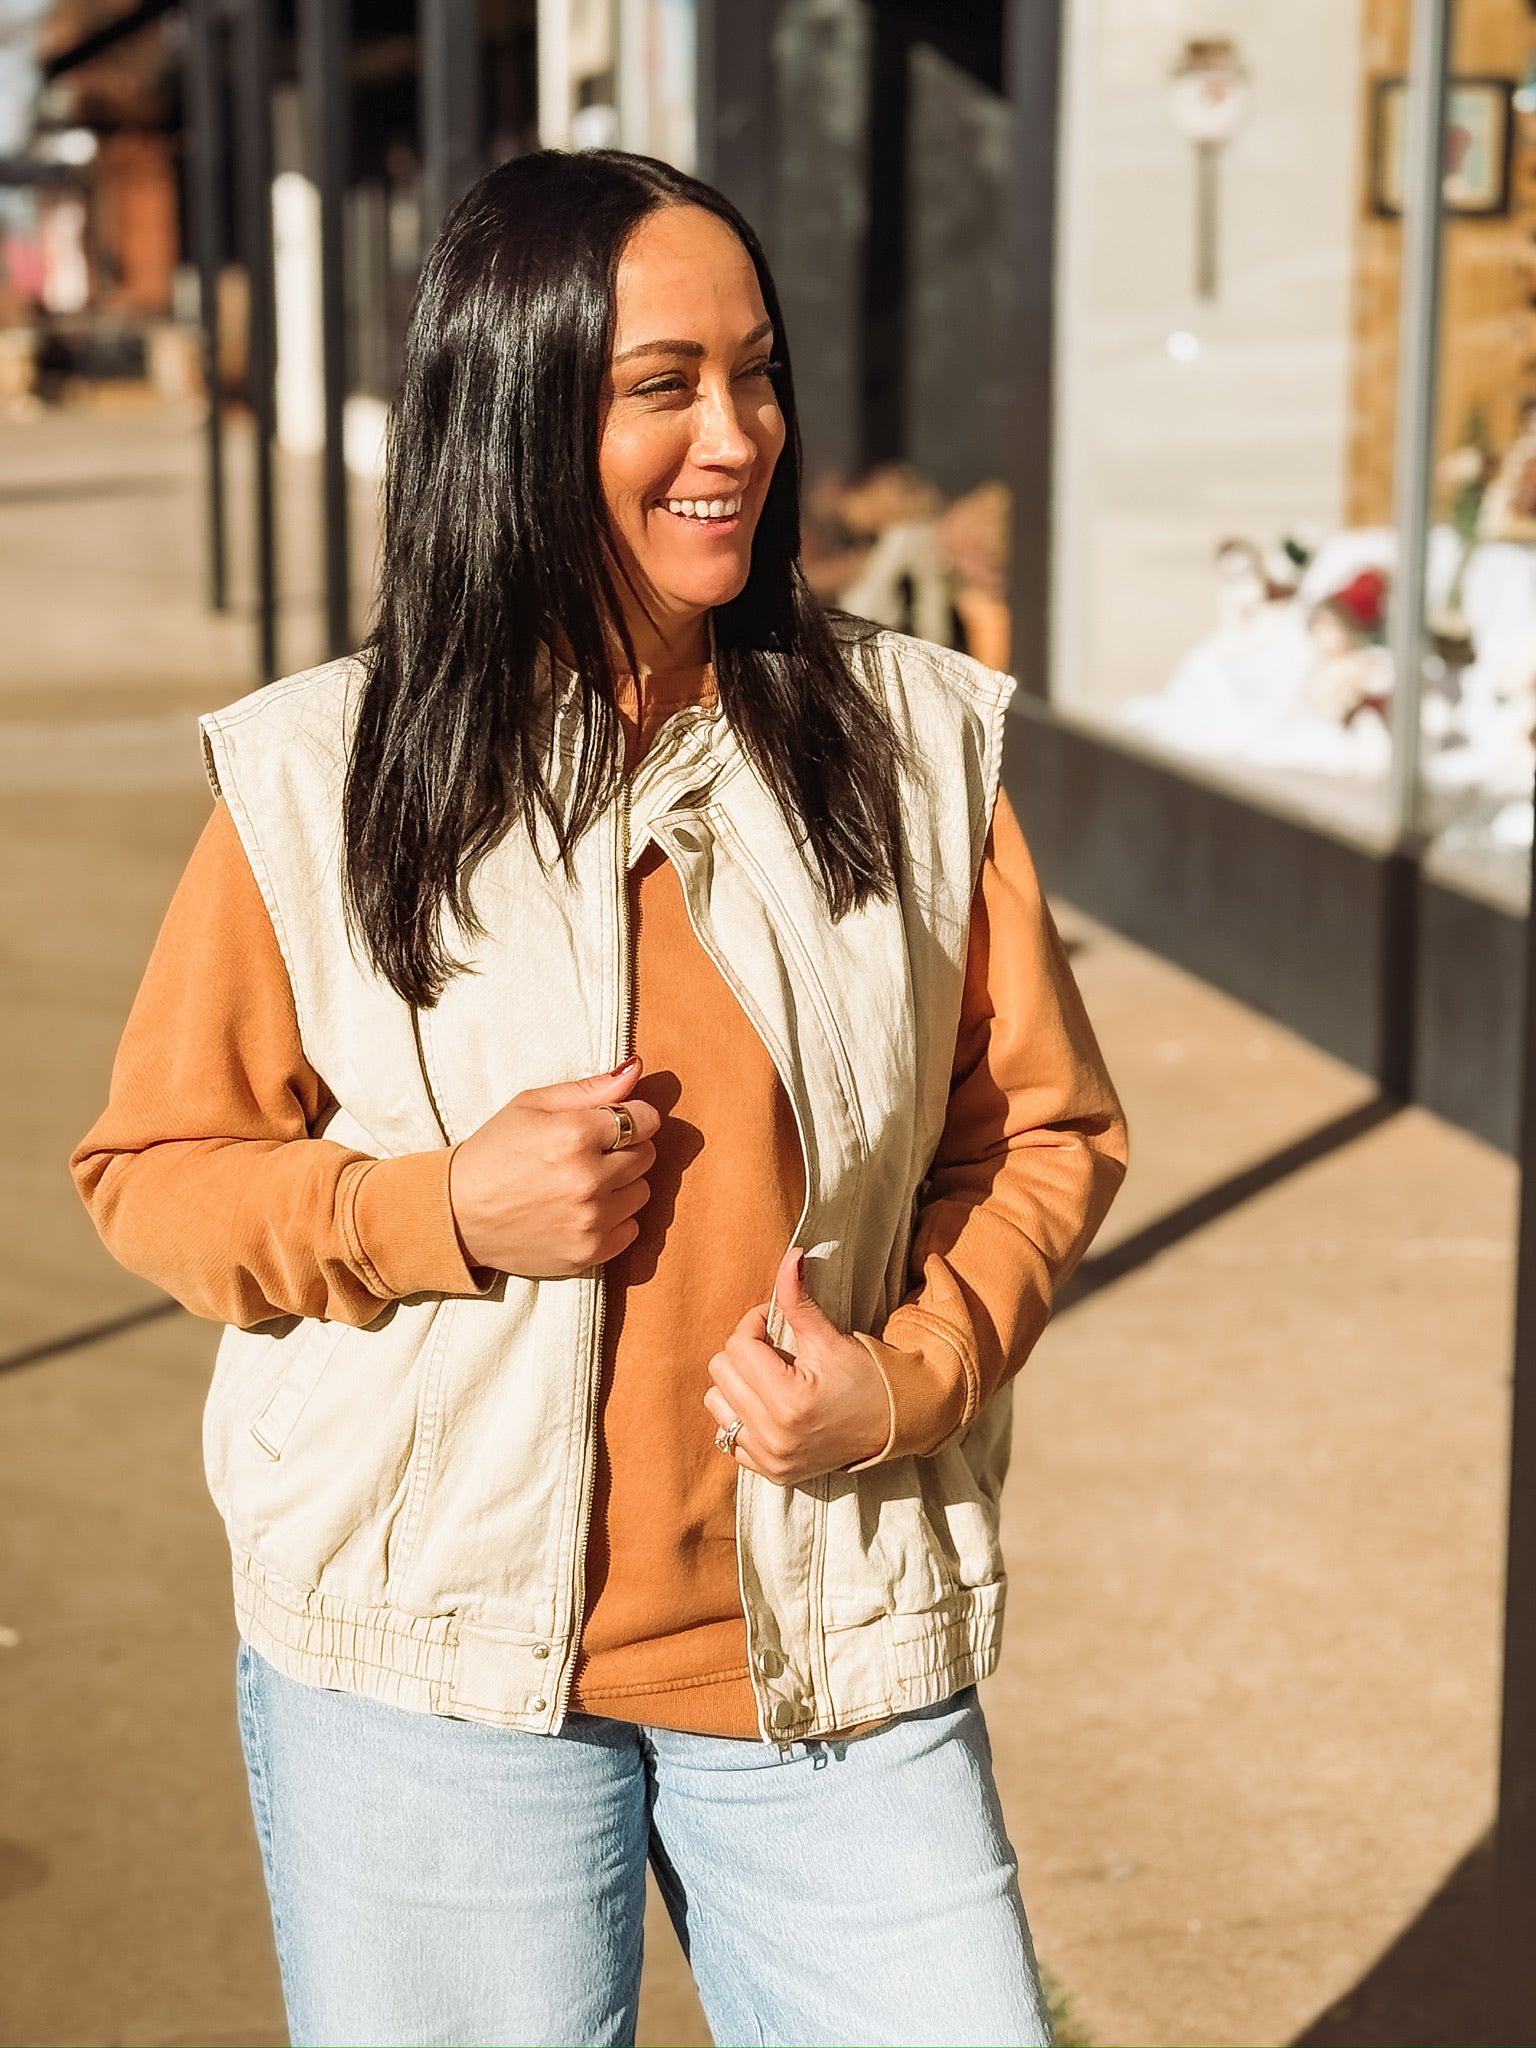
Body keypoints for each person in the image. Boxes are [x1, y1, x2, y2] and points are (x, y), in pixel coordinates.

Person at [72, 150, 1127, 2048]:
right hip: (426, 1668)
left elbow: (1039, 1133)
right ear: (517, 410)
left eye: (759, 374)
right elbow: (153, 1168)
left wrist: (910, 1378)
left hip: (830, 1644)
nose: (737, 436)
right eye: (664, 386)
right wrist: (431, 1211)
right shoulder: (325, 777)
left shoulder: (909, 746)